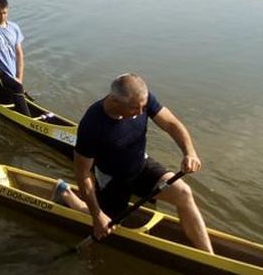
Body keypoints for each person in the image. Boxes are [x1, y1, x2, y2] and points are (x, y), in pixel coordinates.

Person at [54, 73, 213, 253]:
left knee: (183, 193)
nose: (140, 112)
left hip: (140, 165)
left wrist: (189, 152)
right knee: (107, 223)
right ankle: (66, 194)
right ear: (115, 101)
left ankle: (209, 256)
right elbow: (82, 175)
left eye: (143, 107)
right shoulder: (92, 124)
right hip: (112, 179)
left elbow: (171, 124)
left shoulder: (142, 100)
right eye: (134, 108)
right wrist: (97, 216)